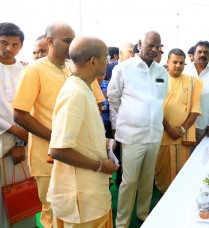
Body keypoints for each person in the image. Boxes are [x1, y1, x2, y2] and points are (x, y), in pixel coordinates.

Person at [12, 22, 105, 228]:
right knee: (53, 213)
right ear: (49, 41)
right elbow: (19, 114)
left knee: (76, 210)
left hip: (78, 154)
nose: (72, 45)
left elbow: (97, 102)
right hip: (47, 157)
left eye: (73, 40)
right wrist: (57, 137)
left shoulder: (76, 68)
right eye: (67, 41)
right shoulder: (34, 71)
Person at [47, 36, 119, 227]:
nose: (108, 61)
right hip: (81, 197)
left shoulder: (83, 87)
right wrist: (101, 166)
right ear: (93, 61)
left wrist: (103, 142)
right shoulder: (74, 93)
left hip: (91, 191)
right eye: (106, 57)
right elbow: (58, 150)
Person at [108, 31, 168, 228]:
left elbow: (161, 99)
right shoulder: (123, 69)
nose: (153, 50)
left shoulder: (161, 72)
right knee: (129, 181)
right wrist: (130, 116)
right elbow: (113, 98)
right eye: (149, 45)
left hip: (154, 135)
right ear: (140, 43)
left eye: (157, 46)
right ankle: (122, 222)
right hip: (132, 136)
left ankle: (143, 215)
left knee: (147, 179)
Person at [0, 22, 36, 228]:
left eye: (15, 45)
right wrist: (14, 131)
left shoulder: (25, 71)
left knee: (22, 193)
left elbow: (30, 108)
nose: (9, 49)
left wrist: (19, 144)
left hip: (21, 144)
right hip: (8, 137)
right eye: (3, 43)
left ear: (21, 46)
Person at [154, 48, 203, 194]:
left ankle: (178, 199)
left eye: (182, 63)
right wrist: (169, 129)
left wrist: (182, 129)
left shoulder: (193, 82)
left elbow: (195, 109)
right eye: (175, 62)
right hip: (162, 135)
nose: (178, 65)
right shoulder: (158, 80)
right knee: (162, 173)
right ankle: (164, 197)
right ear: (167, 62)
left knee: (182, 173)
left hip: (182, 136)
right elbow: (156, 108)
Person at [183, 40, 209, 145]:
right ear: (194, 54)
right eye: (199, 52)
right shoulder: (185, 71)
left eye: (206, 52)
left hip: (203, 126)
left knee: (200, 157)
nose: (202, 54)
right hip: (183, 124)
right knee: (184, 158)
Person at [108, 42, 135, 187]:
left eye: (133, 52)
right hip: (117, 121)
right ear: (121, 53)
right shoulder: (114, 68)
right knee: (117, 155)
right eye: (130, 51)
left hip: (130, 124)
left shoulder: (135, 70)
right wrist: (115, 124)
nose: (132, 54)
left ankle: (124, 181)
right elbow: (113, 100)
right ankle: (118, 182)